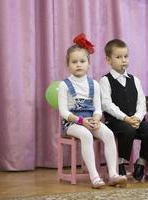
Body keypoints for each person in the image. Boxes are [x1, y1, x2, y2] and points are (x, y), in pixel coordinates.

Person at [58, 33, 127, 189]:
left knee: (108, 134)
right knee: (86, 135)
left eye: (82, 61)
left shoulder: (94, 84)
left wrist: (96, 119)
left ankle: (113, 174)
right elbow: (63, 112)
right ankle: (94, 176)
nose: (78, 64)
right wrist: (82, 121)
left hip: (91, 120)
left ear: (88, 64)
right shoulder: (64, 85)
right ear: (68, 65)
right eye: (74, 62)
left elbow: (98, 108)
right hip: (73, 123)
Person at [100, 39, 148, 181]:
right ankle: (120, 163)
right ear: (108, 60)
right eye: (118, 57)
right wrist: (125, 118)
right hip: (115, 121)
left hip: (134, 119)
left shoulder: (134, 80)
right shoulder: (105, 80)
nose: (123, 60)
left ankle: (141, 163)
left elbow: (141, 102)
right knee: (128, 130)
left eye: (125, 56)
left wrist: (137, 117)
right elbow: (107, 104)